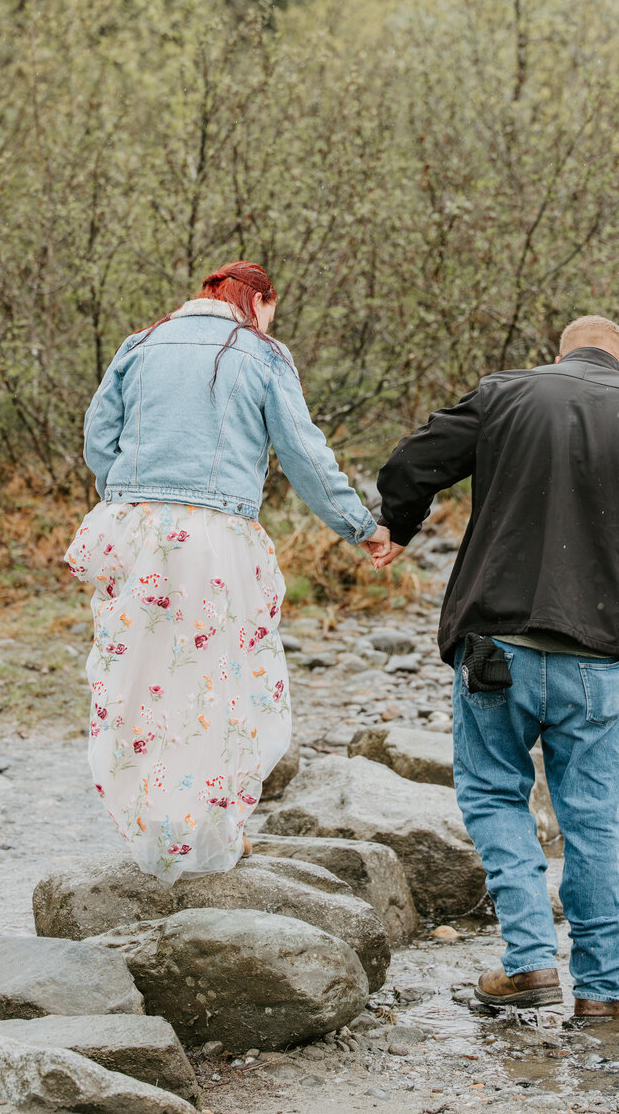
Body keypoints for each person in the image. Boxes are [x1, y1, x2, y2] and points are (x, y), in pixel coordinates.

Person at [374, 315, 619, 1021]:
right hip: (601, 654)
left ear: (557, 356)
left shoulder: (507, 394)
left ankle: (529, 962)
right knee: (591, 821)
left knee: (497, 796)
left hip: (496, 642)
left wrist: (398, 526)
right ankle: (605, 987)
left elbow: (412, 463)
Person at [66, 261, 390, 880]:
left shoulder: (142, 342)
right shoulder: (260, 352)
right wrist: (362, 526)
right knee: (223, 682)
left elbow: (97, 435)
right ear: (257, 301)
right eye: (273, 309)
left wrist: (128, 495)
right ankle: (212, 831)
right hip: (214, 541)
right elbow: (303, 451)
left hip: (134, 533)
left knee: (137, 682)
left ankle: (153, 828)